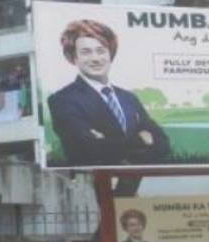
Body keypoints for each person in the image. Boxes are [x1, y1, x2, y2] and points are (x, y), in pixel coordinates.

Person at [47, 19, 171, 167]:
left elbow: (163, 145)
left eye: (101, 51)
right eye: (86, 52)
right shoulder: (63, 100)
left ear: (110, 54)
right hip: (96, 180)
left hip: (138, 180)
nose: (95, 58)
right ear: (73, 58)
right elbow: (86, 149)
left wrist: (107, 142)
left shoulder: (128, 98)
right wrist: (140, 140)